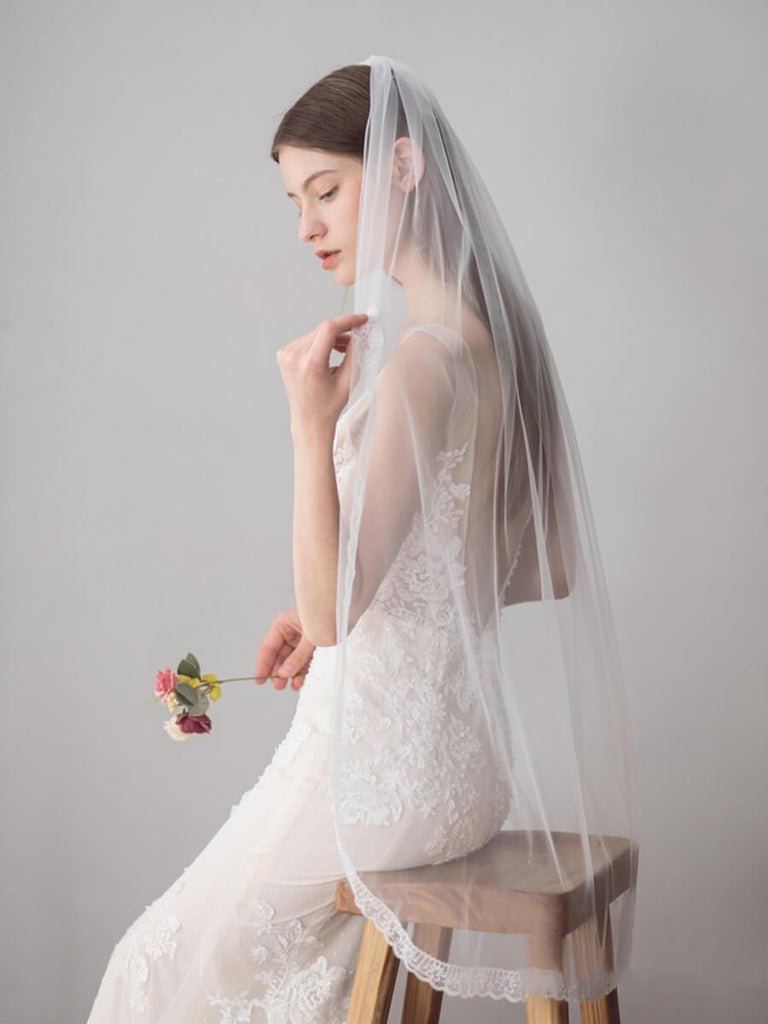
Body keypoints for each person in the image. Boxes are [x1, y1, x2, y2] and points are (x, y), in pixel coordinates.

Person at [86, 55, 637, 1022]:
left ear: (404, 166)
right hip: (470, 775)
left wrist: (309, 425)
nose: (305, 226)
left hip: (383, 779)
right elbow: (542, 567)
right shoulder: (495, 338)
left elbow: (336, 615)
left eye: (326, 191)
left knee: (149, 972)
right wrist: (365, 611)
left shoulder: (424, 360)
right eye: (295, 201)